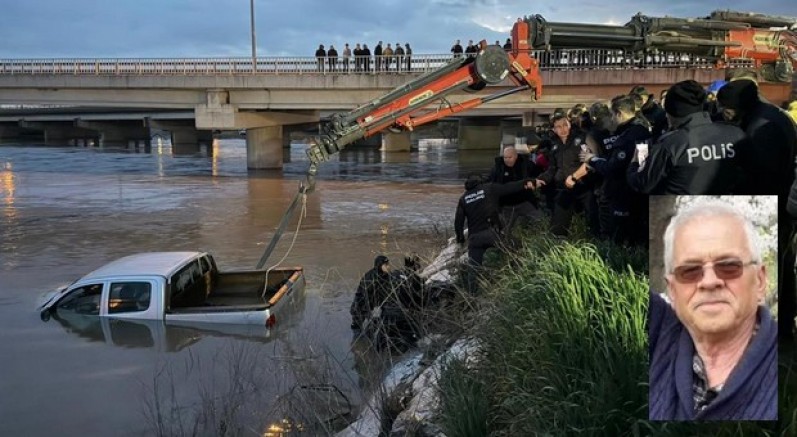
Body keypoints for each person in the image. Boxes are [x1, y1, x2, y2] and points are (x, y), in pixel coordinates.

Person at [649, 202, 776, 420]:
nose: (709, 282)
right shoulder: (657, 334)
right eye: (689, 271)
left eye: (728, 266)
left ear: (760, 281)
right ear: (671, 289)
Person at [626, 80, 748, 194]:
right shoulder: (736, 134)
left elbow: (642, 184)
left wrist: (635, 162)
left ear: (671, 113)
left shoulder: (671, 144)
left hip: (680, 211)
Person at [577, 95, 651, 245]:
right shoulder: (643, 130)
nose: (610, 119)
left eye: (612, 114)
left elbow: (613, 168)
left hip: (623, 192)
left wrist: (591, 159)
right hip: (642, 191)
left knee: (620, 237)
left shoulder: (625, 137)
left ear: (619, 114)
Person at [535, 114, 600, 237]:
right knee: (557, 228)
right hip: (564, 188)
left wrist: (575, 177)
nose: (563, 129)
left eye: (565, 125)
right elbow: (552, 169)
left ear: (570, 124)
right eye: (558, 127)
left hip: (584, 187)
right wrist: (539, 180)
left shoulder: (582, 139)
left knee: (594, 224)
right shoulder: (554, 145)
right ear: (553, 129)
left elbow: (590, 163)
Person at [454, 174, 537, 266]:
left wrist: (460, 239)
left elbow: (458, 222)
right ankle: (517, 270)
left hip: (474, 238)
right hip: (492, 234)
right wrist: (526, 181)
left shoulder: (463, 199)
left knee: (474, 269)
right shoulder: (490, 188)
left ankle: (473, 280)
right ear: (481, 182)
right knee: (516, 246)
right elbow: (509, 187)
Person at [488, 145, 538, 232]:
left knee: (539, 220)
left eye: (509, 157)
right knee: (504, 230)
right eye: (505, 157)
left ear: (516, 156)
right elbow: (491, 185)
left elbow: (538, 176)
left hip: (524, 201)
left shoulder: (526, 165)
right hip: (506, 205)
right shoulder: (497, 168)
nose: (507, 160)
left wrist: (533, 183)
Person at [350, 255, 393, 330]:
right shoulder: (370, 278)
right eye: (386, 265)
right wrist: (372, 311)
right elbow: (365, 296)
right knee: (357, 329)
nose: (388, 267)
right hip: (361, 307)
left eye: (388, 264)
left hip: (375, 305)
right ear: (379, 265)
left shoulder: (386, 275)